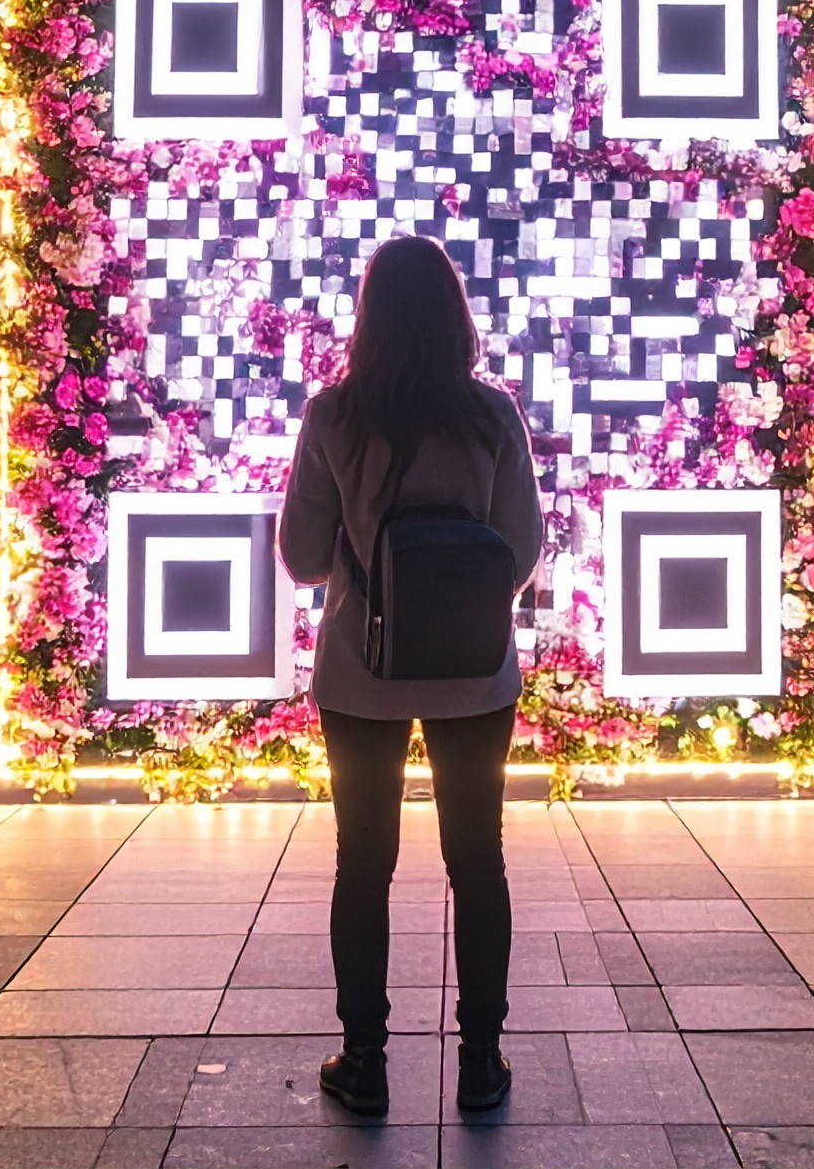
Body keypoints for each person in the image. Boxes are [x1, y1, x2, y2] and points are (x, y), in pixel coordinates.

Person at [278, 237, 541, 1121]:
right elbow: (524, 549)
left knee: (365, 864)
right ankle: (480, 1061)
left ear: (369, 317)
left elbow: (302, 557)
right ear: (457, 315)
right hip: (475, 676)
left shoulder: (335, 417)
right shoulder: (491, 417)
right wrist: (456, 599)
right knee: (479, 861)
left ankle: (365, 1061)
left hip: (362, 673)